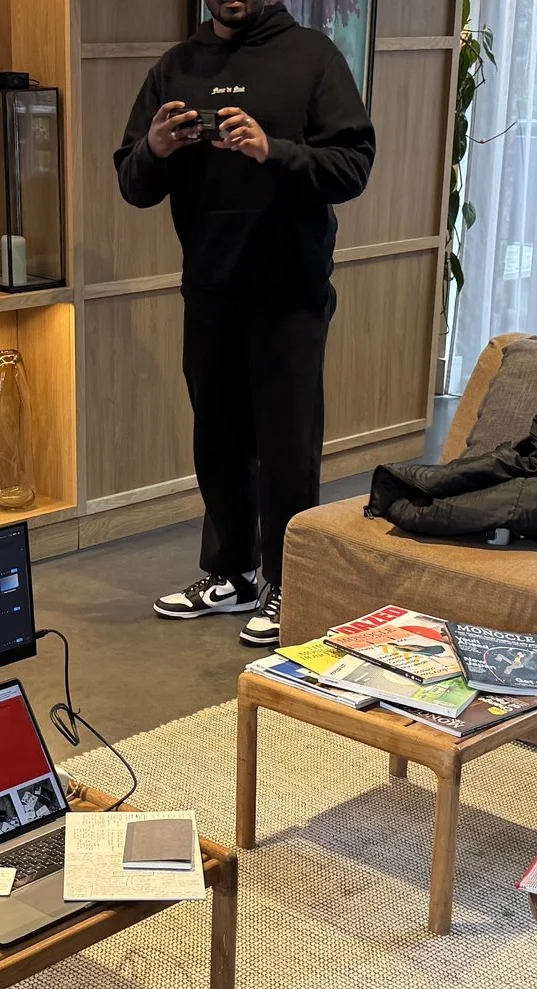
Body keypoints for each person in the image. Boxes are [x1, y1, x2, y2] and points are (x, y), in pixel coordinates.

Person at [115, 0, 375, 648]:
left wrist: (273, 150)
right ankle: (229, 573)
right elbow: (132, 181)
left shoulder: (313, 57)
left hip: (290, 292)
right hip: (208, 289)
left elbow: (353, 166)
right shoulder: (177, 67)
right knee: (219, 444)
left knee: (287, 450)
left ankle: (290, 584)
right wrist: (155, 146)